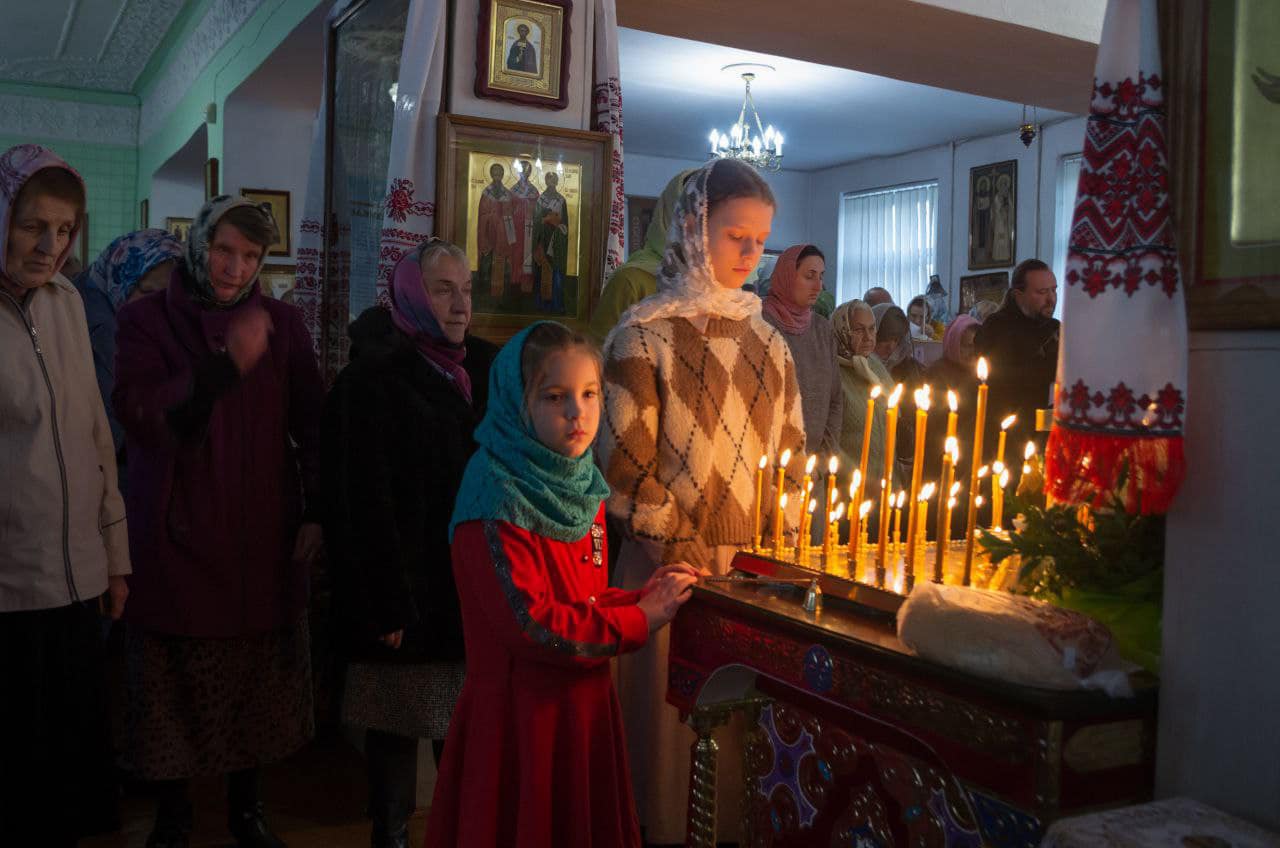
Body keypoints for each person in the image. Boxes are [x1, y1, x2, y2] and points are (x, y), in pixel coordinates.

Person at [426, 321, 698, 848]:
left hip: (583, 709)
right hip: (523, 721)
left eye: (590, 394)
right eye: (555, 397)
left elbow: (583, 598)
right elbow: (534, 624)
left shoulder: (579, 481)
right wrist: (639, 619)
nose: (578, 412)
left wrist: (643, 596)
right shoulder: (496, 494)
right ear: (517, 402)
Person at [599, 158, 805, 845]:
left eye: (761, 241)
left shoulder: (770, 342)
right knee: (670, 757)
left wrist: (776, 547)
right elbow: (625, 470)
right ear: (693, 227)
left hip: (750, 575)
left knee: (740, 755)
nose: (750, 254)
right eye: (735, 236)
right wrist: (684, 554)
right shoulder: (641, 336)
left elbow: (791, 453)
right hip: (668, 575)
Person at [113, 196, 324, 848]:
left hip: (258, 533)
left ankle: (247, 810)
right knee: (171, 682)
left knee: (253, 683)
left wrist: (317, 510)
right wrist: (220, 370)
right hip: (175, 529)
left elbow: (312, 424)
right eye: (223, 250)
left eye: (251, 256)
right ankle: (173, 815)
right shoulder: (146, 319)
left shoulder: (281, 324)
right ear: (197, 245)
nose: (235, 268)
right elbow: (141, 414)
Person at [322, 239, 497, 848]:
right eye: (443, 290)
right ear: (412, 295)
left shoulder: (484, 369)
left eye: (466, 290)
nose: (460, 304)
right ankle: (391, 837)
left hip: (468, 588)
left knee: (465, 731)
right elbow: (360, 499)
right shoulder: (371, 379)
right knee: (396, 725)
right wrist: (386, 601)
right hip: (404, 591)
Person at [0, 143, 129, 846]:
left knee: (70, 773)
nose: (50, 246)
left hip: (77, 578)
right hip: (10, 586)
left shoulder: (69, 304)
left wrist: (114, 558)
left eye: (64, 229)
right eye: (32, 226)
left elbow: (95, 438)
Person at [73, 228, 184, 484]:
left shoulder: (176, 330)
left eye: (170, 295)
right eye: (148, 292)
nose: (159, 306)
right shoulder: (77, 326)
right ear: (122, 281)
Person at [587, 169, 694, 344]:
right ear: (669, 217)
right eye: (688, 217)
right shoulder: (631, 282)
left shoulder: (722, 293)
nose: (700, 230)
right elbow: (597, 352)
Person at [762, 243, 842, 455]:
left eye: (821, 277)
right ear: (787, 276)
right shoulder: (760, 324)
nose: (818, 286)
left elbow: (835, 398)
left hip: (815, 462)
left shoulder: (822, 328)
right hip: (771, 459)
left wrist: (824, 457)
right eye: (809, 276)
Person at [974, 258, 1059, 450]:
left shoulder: (1055, 328)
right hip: (1005, 433)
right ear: (1018, 295)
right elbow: (1000, 380)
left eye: (1054, 290)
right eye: (1042, 292)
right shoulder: (996, 327)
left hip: (1046, 431)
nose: (1051, 299)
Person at [831, 299, 894, 490]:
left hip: (886, 484)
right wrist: (862, 481)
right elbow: (828, 442)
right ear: (842, 330)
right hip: (848, 488)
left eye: (872, 328)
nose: (868, 337)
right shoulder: (831, 372)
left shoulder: (875, 366)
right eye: (858, 330)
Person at [873, 302, 924, 486]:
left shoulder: (911, 369)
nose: (891, 346)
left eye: (896, 340)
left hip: (902, 456)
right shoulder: (859, 366)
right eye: (885, 339)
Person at [532, 170, 568, 313]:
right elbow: (536, 221)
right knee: (542, 272)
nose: (552, 183)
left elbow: (565, 224)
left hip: (556, 241)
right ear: (546, 182)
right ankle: (541, 304)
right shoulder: (540, 200)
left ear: (557, 182)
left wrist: (557, 225)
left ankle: (556, 305)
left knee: (556, 272)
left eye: (554, 180)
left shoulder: (561, 200)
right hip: (542, 239)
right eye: (549, 180)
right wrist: (546, 220)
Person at [477, 163, 514, 299]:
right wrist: (492, 218)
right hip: (488, 234)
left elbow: (510, 217)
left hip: (503, 236)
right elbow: (482, 215)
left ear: (503, 175)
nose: (497, 175)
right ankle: (485, 295)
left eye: (500, 173)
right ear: (491, 174)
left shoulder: (508, 194)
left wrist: (510, 239)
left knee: (504, 264)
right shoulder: (486, 193)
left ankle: (502, 296)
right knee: (487, 263)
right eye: (495, 173)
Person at [509, 159, 540, 295]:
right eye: (522, 170)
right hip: (516, 228)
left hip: (530, 228)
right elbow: (507, 212)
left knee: (528, 255)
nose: (524, 173)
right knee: (516, 255)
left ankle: (527, 286)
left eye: (527, 170)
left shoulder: (534, 191)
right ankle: (515, 285)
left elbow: (538, 211)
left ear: (530, 173)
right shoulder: (512, 190)